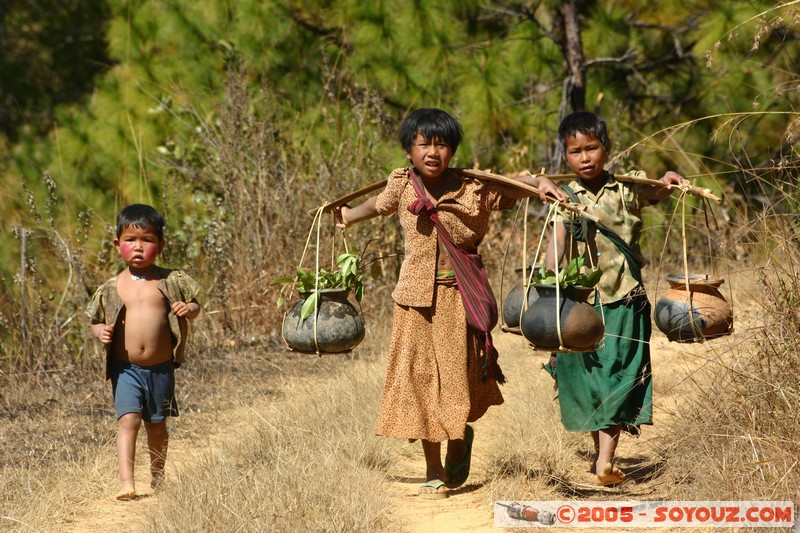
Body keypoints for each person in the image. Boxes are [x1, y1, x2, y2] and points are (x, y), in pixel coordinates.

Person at [337, 108, 565, 498]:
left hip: (460, 298)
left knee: (457, 377)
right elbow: (377, 205)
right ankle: (433, 468)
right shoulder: (402, 184)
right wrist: (346, 216)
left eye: (441, 144)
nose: (432, 151)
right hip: (414, 301)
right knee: (422, 382)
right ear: (409, 151)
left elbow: (513, 186)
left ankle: (458, 437)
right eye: (423, 143)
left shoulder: (474, 188)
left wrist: (539, 181)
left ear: (453, 151)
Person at [543, 111, 686, 486]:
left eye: (592, 148)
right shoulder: (564, 198)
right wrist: (546, 285)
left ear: (606, 148)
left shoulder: (625, 189)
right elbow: (555, 248)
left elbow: (656, 189)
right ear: (566, 156)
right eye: (575, 151)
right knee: (589, 379)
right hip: (580, 304)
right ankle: (602, 455)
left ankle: (604, 460)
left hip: (625, 297)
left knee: (618, 375)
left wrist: (668, 182)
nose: (585, 157)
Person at [86, 204, 201, 501]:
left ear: (160, 246)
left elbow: (196, 305)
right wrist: (101, 332)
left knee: (157, 426)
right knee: (128, 420)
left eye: (147, 240)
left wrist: (186, 309)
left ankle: (158, 476)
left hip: (161, 368)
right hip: (125, 370)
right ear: (117, 244)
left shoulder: (170, 280)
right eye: (130, 240)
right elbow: (94, 322)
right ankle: (126, 482)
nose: (138, 247)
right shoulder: (112, 287)